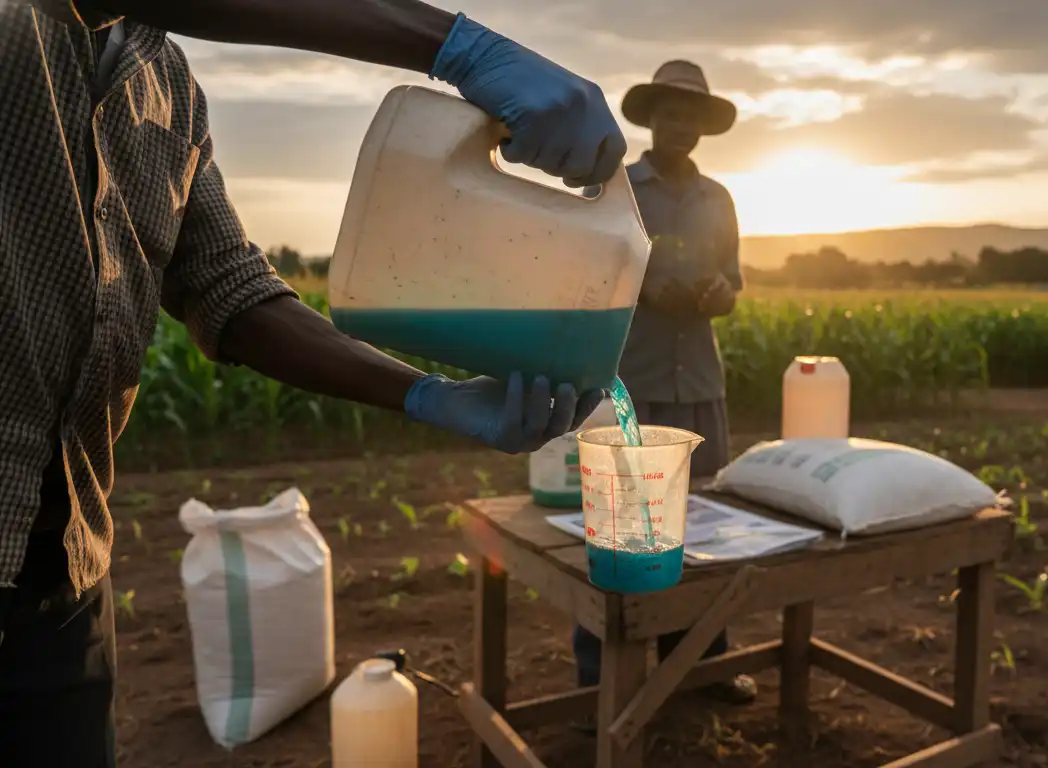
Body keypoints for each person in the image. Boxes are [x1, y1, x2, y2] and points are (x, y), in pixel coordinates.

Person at [1, 1, 623, 764]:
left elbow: (231, 294)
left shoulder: (166, 87)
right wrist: (455, 46)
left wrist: (423, 394)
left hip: (64, 570)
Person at [573, 61, 755, 709]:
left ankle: (703, 668)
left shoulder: (720, 201)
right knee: (621, 528)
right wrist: (650, 287)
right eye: (671, 113)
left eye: (693, 116)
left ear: (706, 128)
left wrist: (717, 293)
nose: (682, 126)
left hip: (699, 384)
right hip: (632, 383)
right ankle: (601, 682)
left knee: (703, 527)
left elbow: (733, 282)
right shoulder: (619, 187)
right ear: (649, 118)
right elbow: (594, 267)